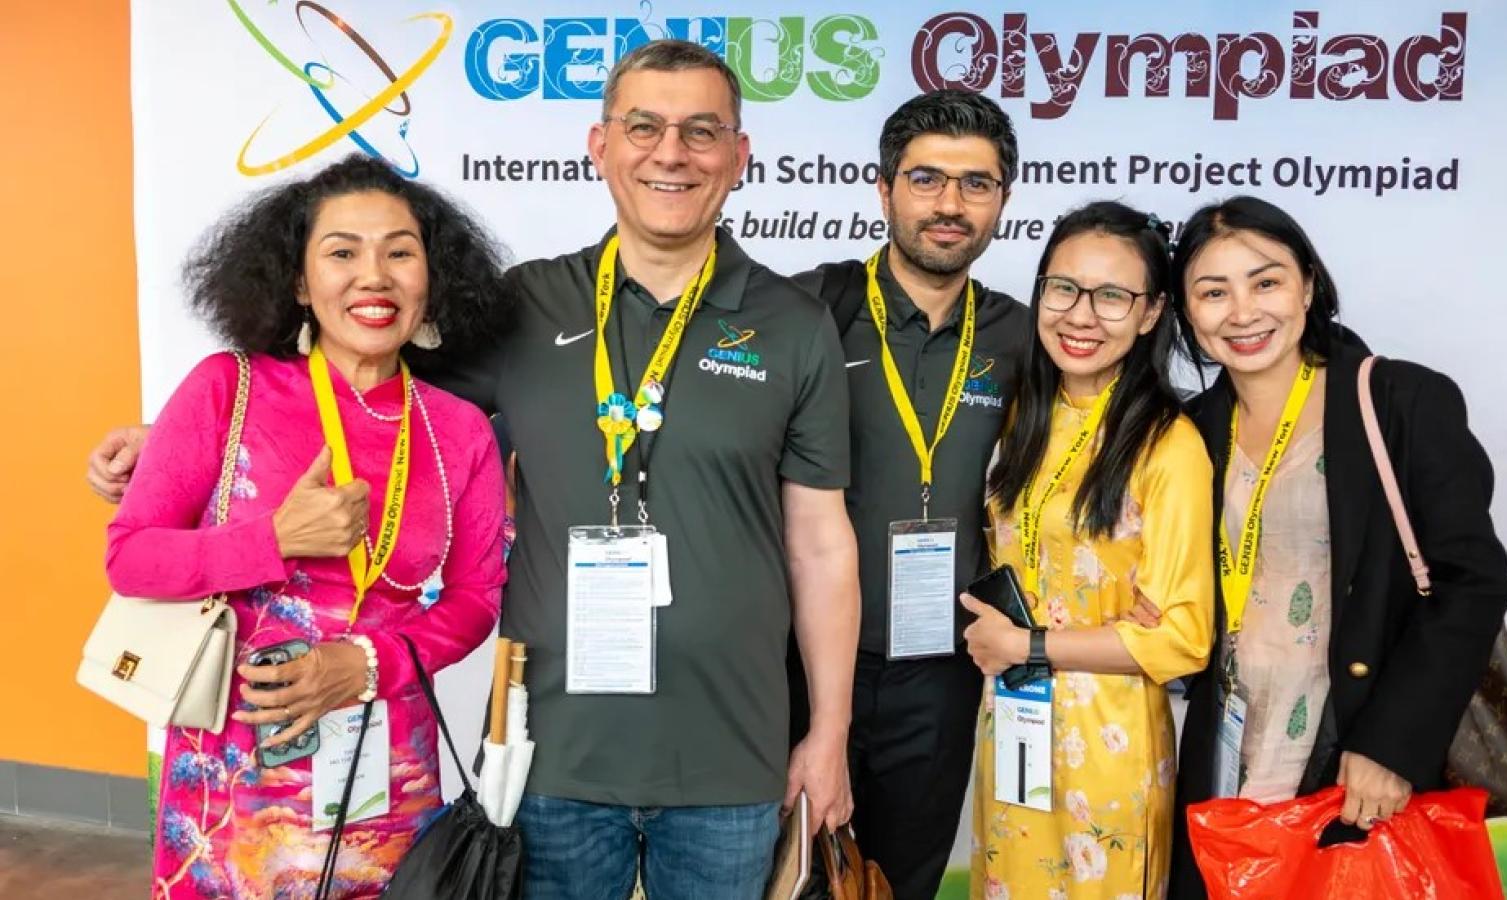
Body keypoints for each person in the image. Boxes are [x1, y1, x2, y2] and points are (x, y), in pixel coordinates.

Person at [93, 39, 858, 900]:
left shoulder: (794, 326)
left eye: (700, 129)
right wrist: (172, 438)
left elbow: (822, 547)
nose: (670, 152)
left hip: (733, 751)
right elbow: (358, 381)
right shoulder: (528, 304)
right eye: (643, 125)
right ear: (601, 146)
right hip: (549, 755)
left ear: (739, 154)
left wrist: (828, 732)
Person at [102, 153, 510, 898]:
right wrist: (274, 541)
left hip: (389, 784)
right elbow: (132, 560)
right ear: (298, 282)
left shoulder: (458, 431)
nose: (374, 276)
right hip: (230, 796)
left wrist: (368, 665)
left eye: (400, 251)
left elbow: (478, 597)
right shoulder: (226, 390)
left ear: (433, 278)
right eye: (342, 252)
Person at [1165, 196, 1507, 898]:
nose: (1242, 311)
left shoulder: (1397, 400)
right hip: (1228, 742)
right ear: (1186, 314)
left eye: (1266, 281)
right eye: (1213, 292)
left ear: (1308, 287)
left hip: (1352, 743)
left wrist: (1390, 745)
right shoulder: (1192, 429)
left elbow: (1470, 582)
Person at [787, 90, 1029, 900]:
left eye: (976, 184)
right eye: (927, 179)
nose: (950, 205)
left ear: (1002, 199)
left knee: (904, 882)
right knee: (784, 879)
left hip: (941, 670)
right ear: (884, 188)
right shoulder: (806, 312)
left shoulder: (1026, 338)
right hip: (800, 660)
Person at [959, 201, 1215, 898]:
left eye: (1112, 297)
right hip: (1014, 722)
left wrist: (1028, 646)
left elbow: (1184, 640)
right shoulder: (1024, 418)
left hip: (1108, 746)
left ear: (1152, 312)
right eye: (1064, 287)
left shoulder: (1170, 445)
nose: (1080, 316)